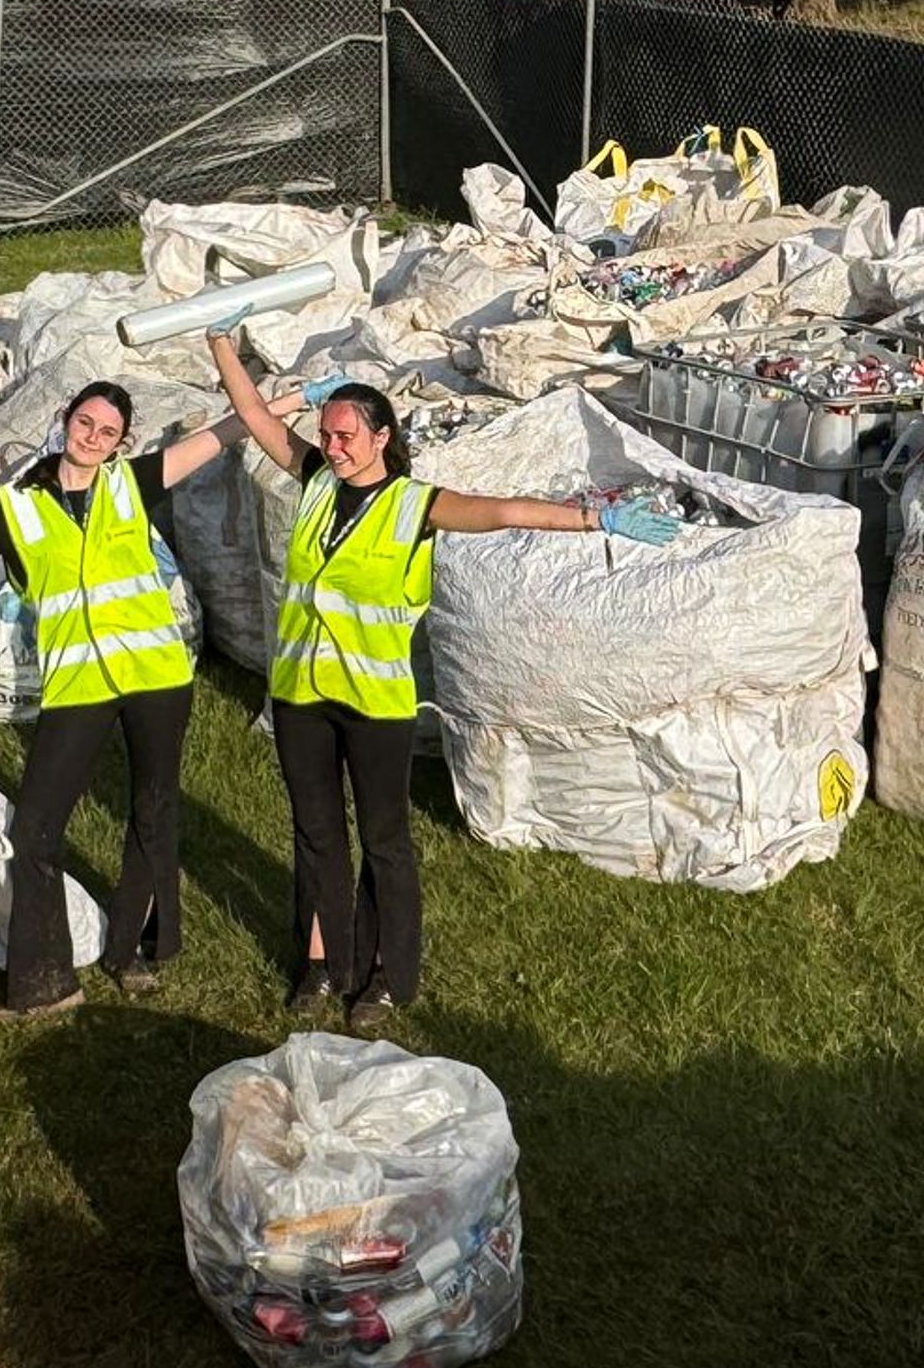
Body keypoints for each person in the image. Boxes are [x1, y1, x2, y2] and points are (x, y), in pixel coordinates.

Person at [209, 330, 680, 1031]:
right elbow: (254, 416)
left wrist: (598, 517)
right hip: (301, 697)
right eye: (325, 435)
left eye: (344, 437)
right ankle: (321, 961)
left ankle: (385, 976)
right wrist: (222, 343)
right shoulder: (312, 482)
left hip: (373, 704)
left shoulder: (414, 505)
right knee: (314, 834)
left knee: (383, 840)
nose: (331, 447)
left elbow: (505, 512)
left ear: (380, 437)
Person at [0, 377, 290, 1018]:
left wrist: (293, 403)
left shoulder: (132, 483)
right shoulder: (17, 509)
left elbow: (227, 431)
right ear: (65, 418)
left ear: (119, 443)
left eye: (107, 433)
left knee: (153, 811)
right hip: (79, 686)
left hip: (158, 678)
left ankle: (134, 951)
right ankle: (44, 982)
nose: (93, 439)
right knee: (37, 831)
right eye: (85, 424)